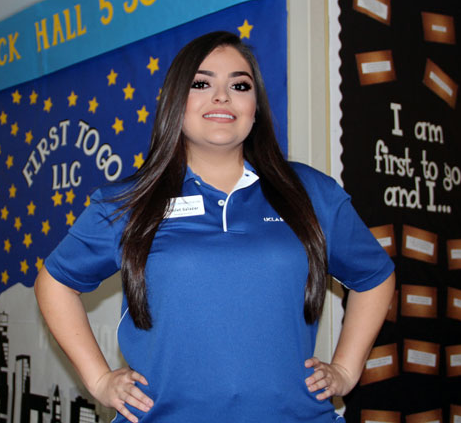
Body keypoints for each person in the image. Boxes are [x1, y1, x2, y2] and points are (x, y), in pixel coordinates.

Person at [35, 31, 395, 422]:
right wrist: (100, 380)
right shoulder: (129, 201)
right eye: (202, 84)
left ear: (256, 107)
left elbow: (374, 276)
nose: (222, 97)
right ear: (176, 102)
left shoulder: (311, 193)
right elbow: (55, 283)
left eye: (239, 86)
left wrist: (345, 370)